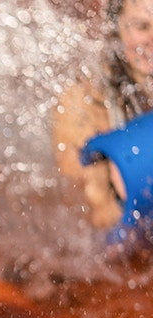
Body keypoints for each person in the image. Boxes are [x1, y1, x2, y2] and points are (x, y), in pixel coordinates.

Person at [52, 0, 153, 230]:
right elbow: (88, 220)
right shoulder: (83, 103)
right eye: (141, 27)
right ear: (116, 27)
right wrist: (126, 197)